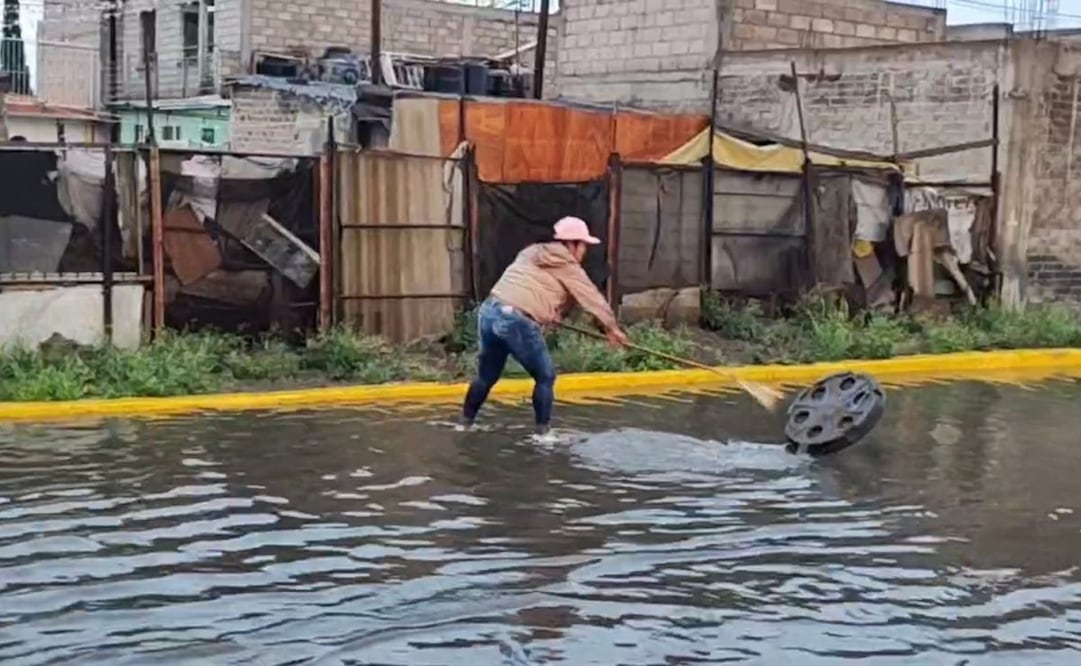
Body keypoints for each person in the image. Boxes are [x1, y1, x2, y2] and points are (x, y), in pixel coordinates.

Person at [460, 216, 629, 436]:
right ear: (572, 244)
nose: (584, 251)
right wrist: (612, 329)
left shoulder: (530, 253)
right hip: (516, 320)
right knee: (545, 377)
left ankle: (464, 423)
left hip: (490, 312)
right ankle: (543, 435)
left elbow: (533, 286)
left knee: (486, 377)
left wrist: (552, 313)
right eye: (583, 245)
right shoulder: (567, 265)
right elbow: (591, 298)